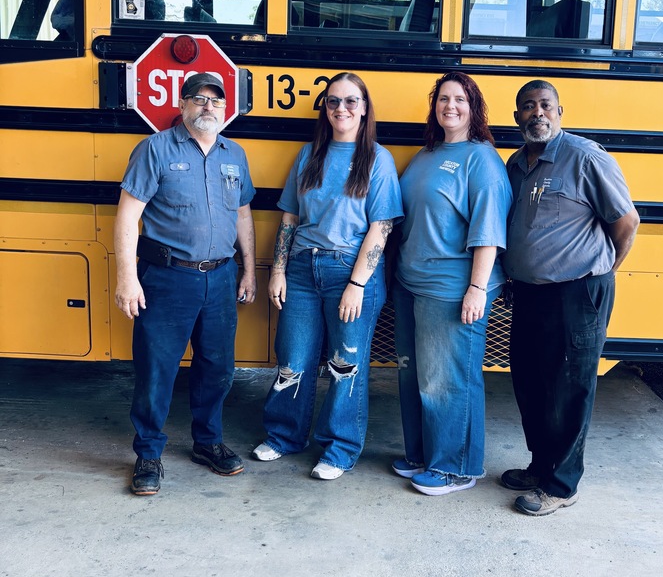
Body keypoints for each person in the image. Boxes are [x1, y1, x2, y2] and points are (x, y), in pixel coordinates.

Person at [253, 72, 402, 480]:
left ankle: (339, 449)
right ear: (325, 107)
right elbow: (289, 216)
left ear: (365, 108)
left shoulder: (378, 159)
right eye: (333, 101)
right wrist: (278, 270)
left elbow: (381, 227)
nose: (342, 109)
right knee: (293, 360)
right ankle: (285, 436)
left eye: (351, 101)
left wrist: (357, 285)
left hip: (350, 273)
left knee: (344, 365)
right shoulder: (309, 155)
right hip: (301, 269)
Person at [114, 72, 257, 496]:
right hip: (167, 278)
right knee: (156, 370)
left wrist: (249, 269)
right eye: (198, 99)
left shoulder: (235, 155)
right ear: (183, 104)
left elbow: (243, 216)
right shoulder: (154, 150)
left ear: (225, 108)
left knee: (218, 368)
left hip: (221, 276)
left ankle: (207, 442)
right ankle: (148, 453)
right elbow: (127, 218)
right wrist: (126, 278)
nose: (207, 106)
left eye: (215, 100)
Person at [502, 81, 640, 516]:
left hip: (578, 290)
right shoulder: (516, 164)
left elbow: (626, 221)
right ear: (517, 117)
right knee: (530, 382)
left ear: (560, 111)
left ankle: (561, 486)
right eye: (528, 107)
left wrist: (600, 271)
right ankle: (541, 465)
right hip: (528, 293)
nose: (536, 113)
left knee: (569, 387)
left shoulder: (585, 157)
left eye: (545, 105)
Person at [392, 72, 512, 495]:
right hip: (411, 283)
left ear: (473, 107)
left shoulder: (482, 159)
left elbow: (490, 230)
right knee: (415, 376)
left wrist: (477, 290)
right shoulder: (428, 153)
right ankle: (424, 455)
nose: (450, 106)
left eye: (460, 99)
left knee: (448, 379)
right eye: (443, 98)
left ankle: (455, 467)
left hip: (452, 286)